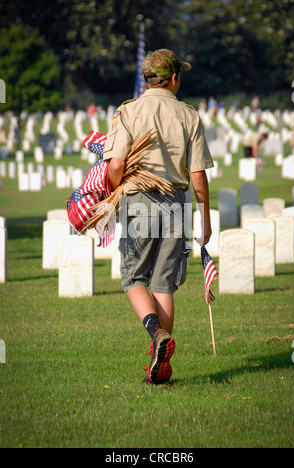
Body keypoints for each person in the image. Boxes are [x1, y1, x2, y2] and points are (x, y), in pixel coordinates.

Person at [103, 49, 214, 385]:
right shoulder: (189, 115)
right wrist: (205, 217)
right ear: (175, 78)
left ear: (146, 78)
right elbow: (197, 175)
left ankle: (156, 334)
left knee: (133, 277)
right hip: (178, 204)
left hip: (139, 201)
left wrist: (112, 194)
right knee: (164, 283)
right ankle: (160, 363)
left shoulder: (128, 111)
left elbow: (117, 165)